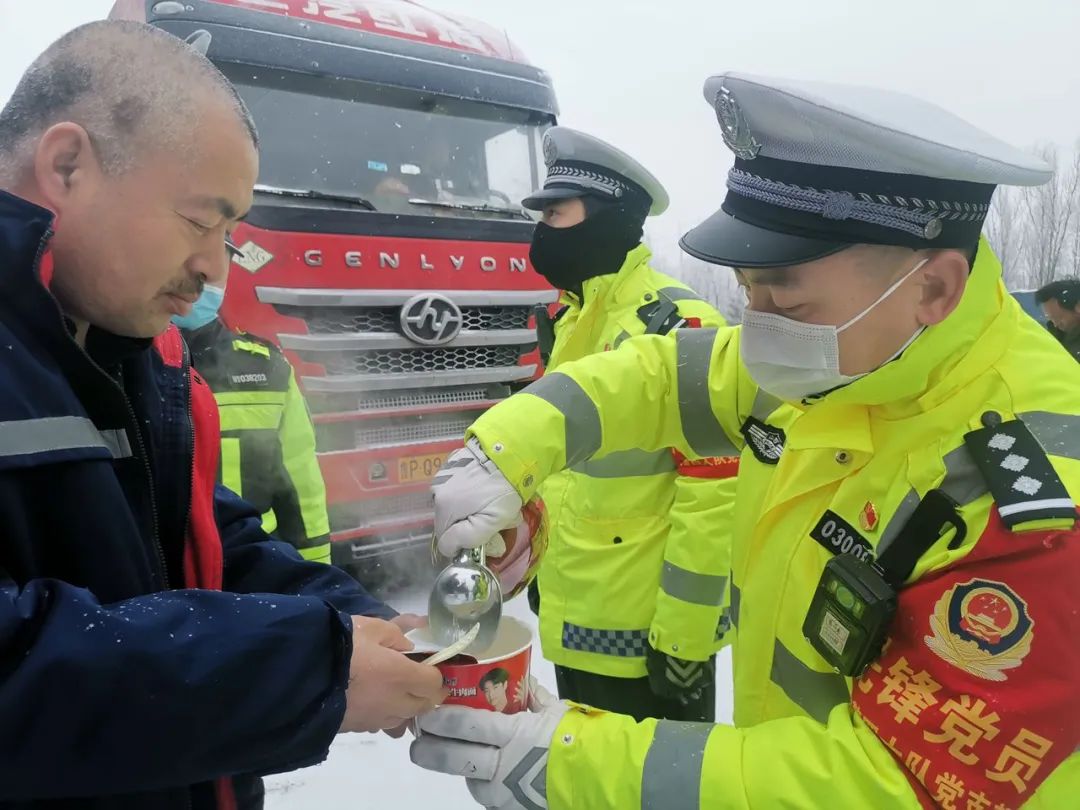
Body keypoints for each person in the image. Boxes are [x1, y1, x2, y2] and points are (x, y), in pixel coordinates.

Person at [412, 72, 1080, 809]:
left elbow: (902, 783)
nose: (756, 323)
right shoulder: (849, 352)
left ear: (933, 290)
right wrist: (504, 454)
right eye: (747, 289)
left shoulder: (1035, 503)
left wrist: (572, 763)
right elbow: (661, 379)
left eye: (782, 294)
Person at [0, 21, 445, 809]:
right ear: (66, 164)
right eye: (203, 220)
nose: (215, 265)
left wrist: (360, 622)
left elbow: (205, 542)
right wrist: (306, 672)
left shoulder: (132, 356)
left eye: (233, 233)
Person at [519, 126, 734, 722]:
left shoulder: (679, 325)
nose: (541, 231)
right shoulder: (572, 322)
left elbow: (715, 490)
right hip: (578, 617)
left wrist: (686, 636)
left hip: (653, 643)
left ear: (607, 218)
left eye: (555, 213)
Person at [175, 279, 334, 564]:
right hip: (161, 583)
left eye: (222, 255)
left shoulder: (267, 367)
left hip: (253, 569)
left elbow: (300, 483)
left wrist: (319, 578)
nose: (204, 268)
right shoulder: (111, 363)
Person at [1035, 278, 1080, 360]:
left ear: (1078, 308)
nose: (1056, 324)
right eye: (1051, 318)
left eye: (1059, 318)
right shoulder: (1051, 339)